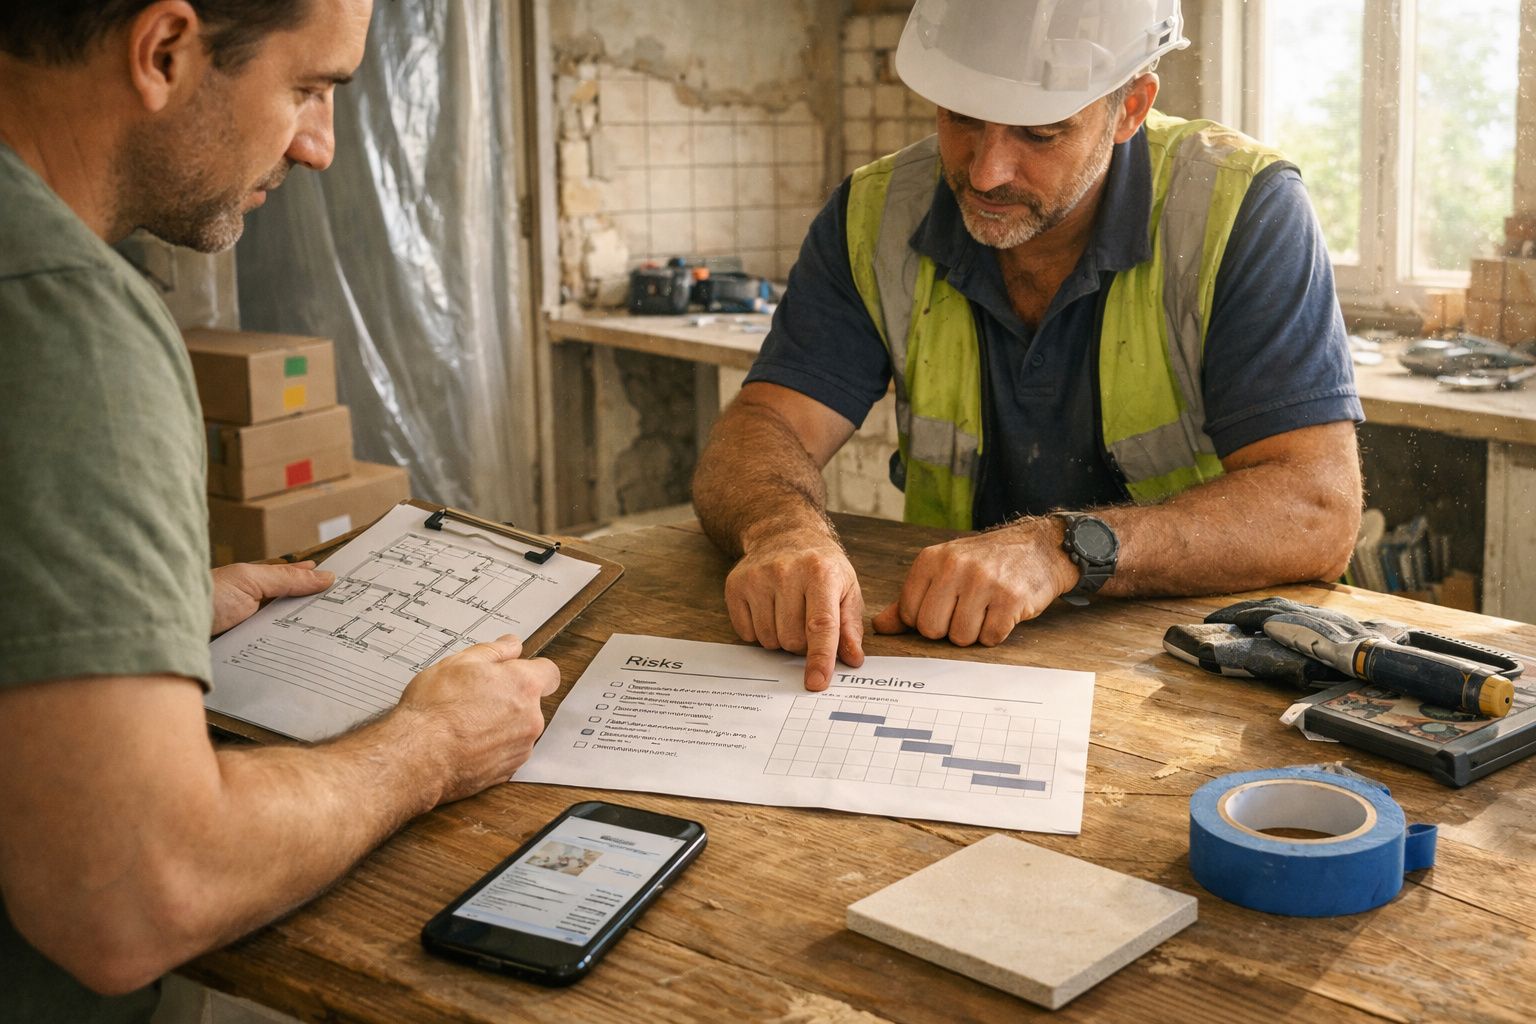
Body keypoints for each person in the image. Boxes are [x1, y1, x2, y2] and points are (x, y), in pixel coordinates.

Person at [0, 3, 559, 1020]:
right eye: (309, 88)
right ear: (164, 52)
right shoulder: (65, 322)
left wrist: (138, 610)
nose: (320, 147)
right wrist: (425, 749)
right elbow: (136, 889)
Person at [693, 0, 1364, 692]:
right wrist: (781, 530)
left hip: (1206, 669)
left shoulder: (1240, 208)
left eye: (1040, 135)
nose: (985, 173)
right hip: (959, 662)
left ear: (1130, 107)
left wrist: (1063, 549)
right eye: (961, 118)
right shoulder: (876, 214)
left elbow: (1316, 508)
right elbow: (763, 426)